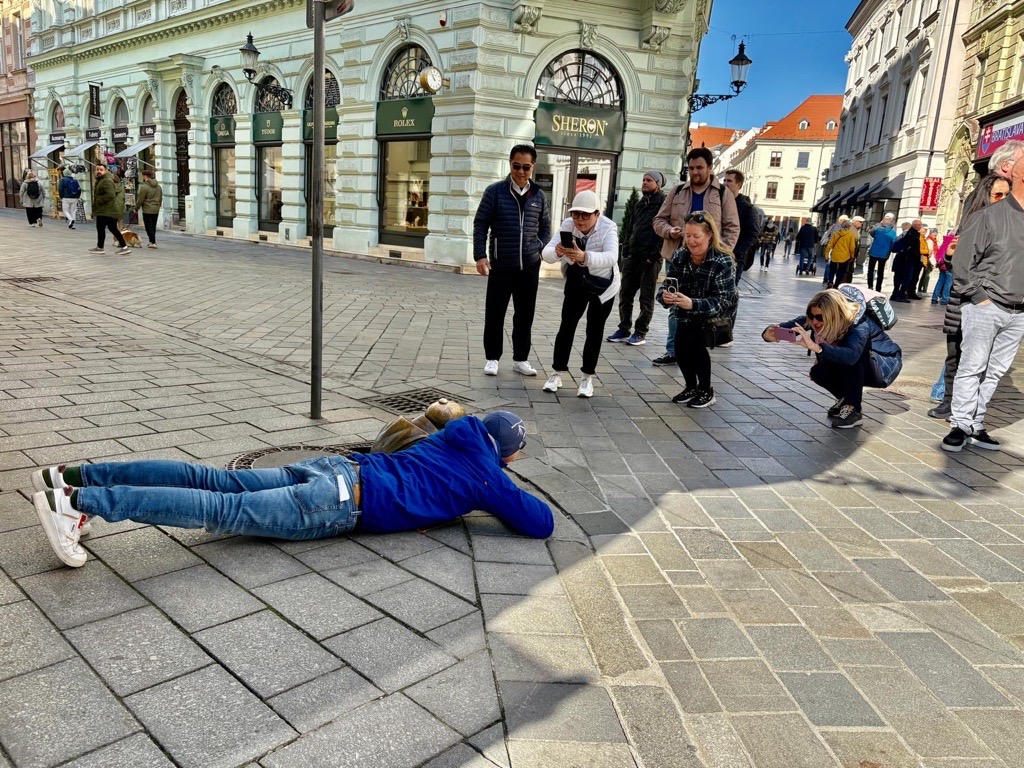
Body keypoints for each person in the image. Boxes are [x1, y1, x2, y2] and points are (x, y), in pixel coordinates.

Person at [31, 411, 555, 568]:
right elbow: (540, 523)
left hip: (334, 467)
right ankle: (78, 505)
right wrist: (499, 479)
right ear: (508, 454)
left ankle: (73, 475)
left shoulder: (453, 435)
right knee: (220, 509)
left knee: (209, 478)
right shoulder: (488, 476)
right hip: (340, 503)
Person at [941, 163, 1024, 452]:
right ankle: (960, 424)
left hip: (1019, 311)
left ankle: (975, 424)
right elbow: (963, 260)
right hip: (987, 305)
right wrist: (978, 297)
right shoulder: (988, 216)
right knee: (972, 366)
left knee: (996, 371)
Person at [763, 288, 901, 429]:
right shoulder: (812, 319)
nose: (815, 321)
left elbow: (851, 356)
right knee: (819, 372)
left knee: (853, 355)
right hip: (854, 364)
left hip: (882, 366)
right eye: (811, 315)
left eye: (820, 317)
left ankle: (853, 409)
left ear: (833, 315)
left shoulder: (859, 324)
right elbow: (784, 329)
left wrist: (816, 347)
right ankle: (845, 399)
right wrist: (770, 333)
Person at [651, 146, 739, 366]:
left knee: (701, 305)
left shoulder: (722, 193)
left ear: (710, 168)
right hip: (679, 257)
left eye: (699, 168)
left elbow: (732, 227)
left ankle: (697, 349)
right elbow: (658, 220)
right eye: (691, 168)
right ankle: (673, 351)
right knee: (675, 303)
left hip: (709, 261)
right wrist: (669, 231)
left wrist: (721, 252)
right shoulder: (677, 191)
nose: (695, 172)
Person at [473, 145, 550, 378]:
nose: (521, 172)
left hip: (529, 267)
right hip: (501, 264)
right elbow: (480, 224)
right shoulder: (495, 192)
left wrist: (538, 248)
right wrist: (480, 255)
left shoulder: (538, 195)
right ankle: (492, 358)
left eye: (526, 167)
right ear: (510, 164)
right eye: (516, 166)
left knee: (525, 315)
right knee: (495, 313)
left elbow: (546, 228)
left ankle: (521, 359)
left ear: (532, 167)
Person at [541, 190, 619, 398]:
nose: (580, 220)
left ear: (597, 214)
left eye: (585, 215)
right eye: (576, 214)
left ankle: (587, 377)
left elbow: (612, 257)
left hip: (603, 284)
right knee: (566, 325)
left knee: (594, 329)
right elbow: (546, 253)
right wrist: (557, 252)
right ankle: (556, 373)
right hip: (577, 279)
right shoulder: (568, 225)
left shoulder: (608, 227)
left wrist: (585, 256)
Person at [656, 211, 737, 409]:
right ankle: (691, 387)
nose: (691, 241)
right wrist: (665, 297)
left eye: (696, 236)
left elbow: (724, 301)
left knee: (696, 345)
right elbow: (666, 286)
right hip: (685, 313)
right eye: (687, 235)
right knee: (680, 346)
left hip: (711, 317)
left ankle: (706, 391)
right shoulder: (681, 255)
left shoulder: (723, 260)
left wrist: (693, 303)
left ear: (709, 235)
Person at [607, 170, 666, 347]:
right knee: (625, 294)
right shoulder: (639, 204)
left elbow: (664, 233)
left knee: (645, 299)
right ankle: (624, 328)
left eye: (649, 180)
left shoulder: (664, 204)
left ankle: (640, 332)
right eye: (643, 180)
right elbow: (629, 227)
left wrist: (654, 255)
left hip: (650, 260)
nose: (644, 183)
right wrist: (625, 248)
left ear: (658, 184)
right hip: (633, 257)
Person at [722, 169, 761, 344]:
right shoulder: (719, 202)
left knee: (730, 295)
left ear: (739, 185)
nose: (726, 184)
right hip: (716, 255)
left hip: (734, 258)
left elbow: (752, 234)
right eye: (724, 181)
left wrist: (737, 254)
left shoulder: (747, 208)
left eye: (729, 181)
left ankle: (726, 334)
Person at [88, 165, 131, 255]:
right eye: (97, 169)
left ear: (106, 170)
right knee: (111, 228)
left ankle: (101, 247)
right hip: (106, 210)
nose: (99, 171)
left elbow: (110, 194)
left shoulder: (106, 180)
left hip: (106, 210)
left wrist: (99, 200)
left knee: (103, 229)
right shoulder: (102, 180)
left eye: (101, 170)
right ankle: (123, 247)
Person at [890, 220, 923, 302]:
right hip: (907, 260)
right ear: (914, 225)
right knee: (906, 278)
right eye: (919, 225)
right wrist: (917, 259)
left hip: (901, 259)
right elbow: (912, 249)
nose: (920, 227)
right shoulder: (913, 234)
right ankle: (900, 295)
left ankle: (895, 294)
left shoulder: (907, 234)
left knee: (898, 278)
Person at [866, 213, 897, 292]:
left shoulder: (878, 229)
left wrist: (879, 224)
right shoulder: (893, 232)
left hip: (874, 252)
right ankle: (878, 288)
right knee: (880, 271)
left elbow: (871, 233)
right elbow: (893, 243)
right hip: (884, 253)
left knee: (870, 269)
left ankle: (870, 285)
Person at [823, 219, 857, 288]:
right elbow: (852, 247)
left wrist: (826, 255)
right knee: (841, 271)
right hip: (845, 256)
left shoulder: (837, 233)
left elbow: (830, 245)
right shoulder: (850, 235)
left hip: (835, 255)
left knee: (832, 270)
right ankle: (836, 284)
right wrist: (852, 256)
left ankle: (830, 281)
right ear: (849, 226)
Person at [135, 169, 163, 249]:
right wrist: (158, 205)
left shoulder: (144, 187)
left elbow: (140, 199)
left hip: (147, 209)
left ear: (145, 176)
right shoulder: (158, 187)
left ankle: (153, 242)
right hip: (156, 208)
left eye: (142, 176)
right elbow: (160, 197)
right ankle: (151, 241)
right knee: (153, 226)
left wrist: (136, 208)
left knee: (148, 226)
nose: (142, 177)